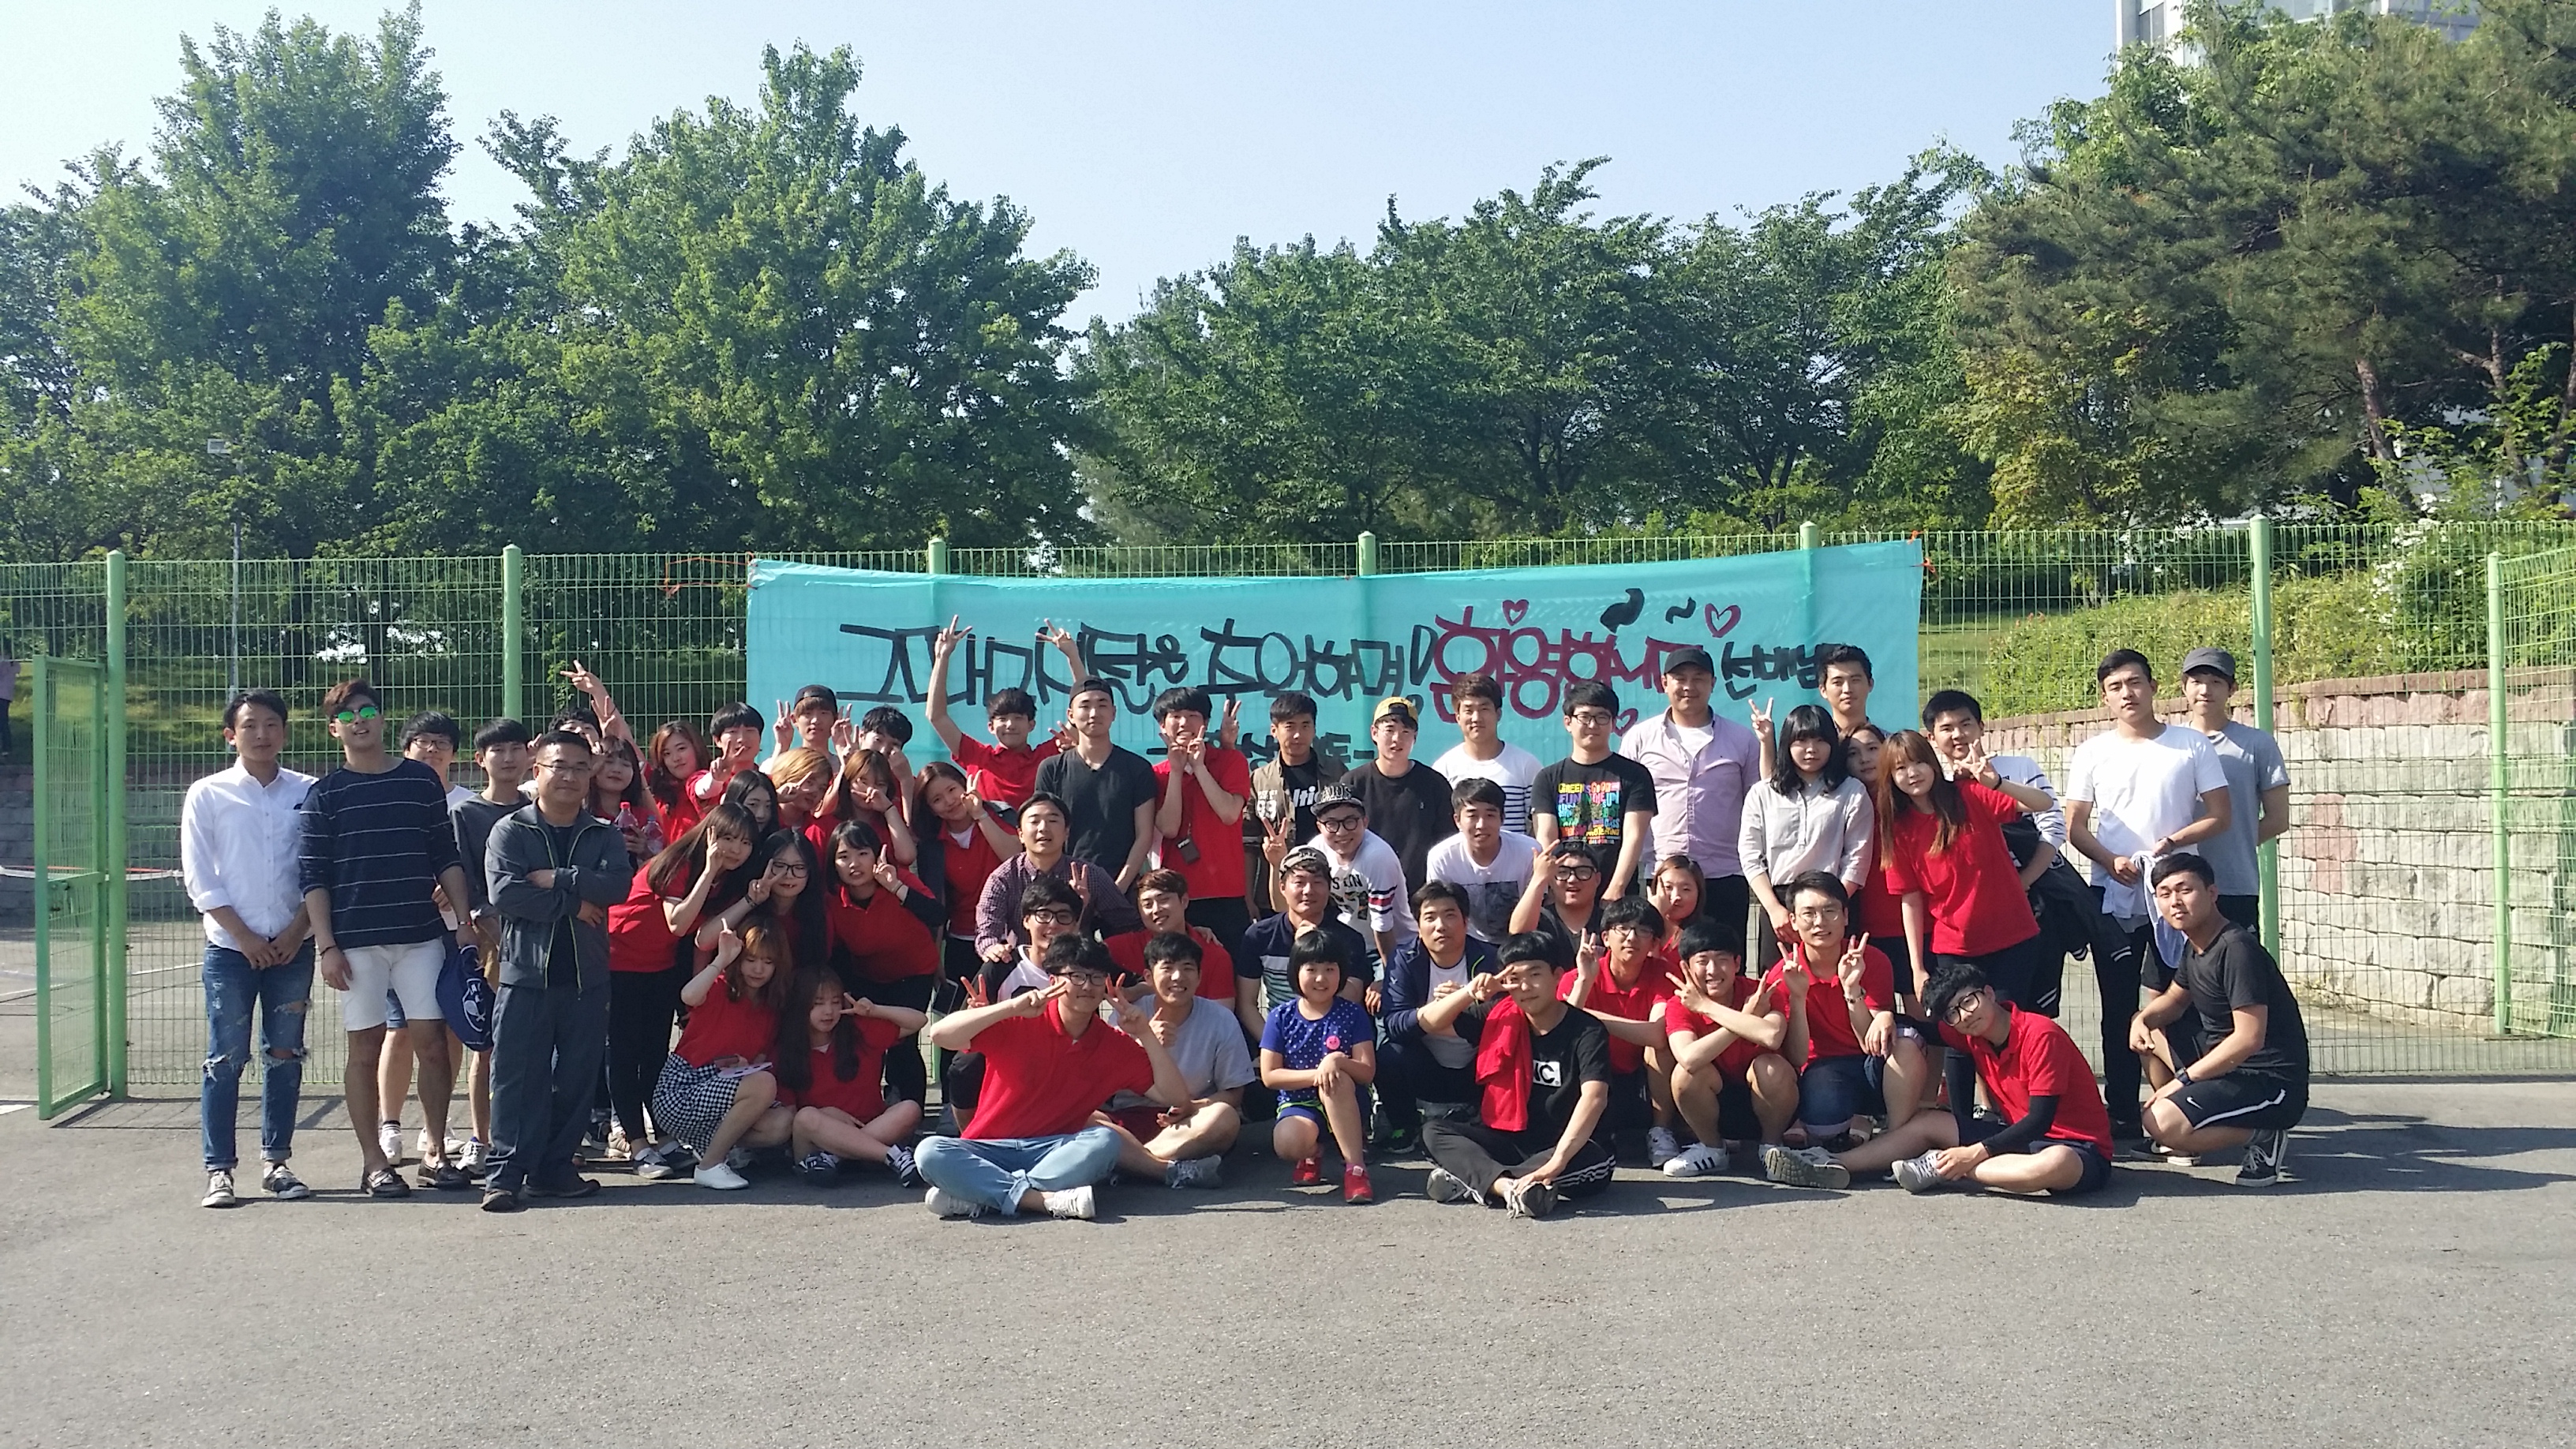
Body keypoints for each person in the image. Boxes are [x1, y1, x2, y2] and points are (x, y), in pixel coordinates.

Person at [298, 678, 478, 1198]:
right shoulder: (324, 795)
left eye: (367, 711)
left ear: (382, 719)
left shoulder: (420, 782)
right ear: (334, 730)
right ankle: (374, 1163)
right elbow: (313, 877)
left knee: (435, 1045)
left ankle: (435, 1152)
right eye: (346, 716)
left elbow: (445, 855)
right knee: (365, 1048)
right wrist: (327, 947)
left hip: (421, 938)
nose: (358, 721)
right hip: (356, 944)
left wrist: (464, 920)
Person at [2064, 648, 2232, 1138]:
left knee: (2185, 1002)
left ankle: (2188, 1106)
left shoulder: (2190, 744)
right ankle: (2121, 1112)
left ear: (2154, 687)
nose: (2127, 694)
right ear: (2104, 698)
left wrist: (2174, 844)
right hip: (2114, 897)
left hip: (2178, 899)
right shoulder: (2092, 752)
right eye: (2115, 687)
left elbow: (2220, 815)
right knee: (2118, 1007)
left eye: (2135, 683)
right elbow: (2075, 827)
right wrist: (2108, 860)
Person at [1778, 961, 2117, 1196]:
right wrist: (1883, 1014)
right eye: (1952, 1013)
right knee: (1929, 1122)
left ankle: (1941, 1166)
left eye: (1969, 1001)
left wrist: (1972, 1155)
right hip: (2016, 1139)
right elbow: (1917, 1027)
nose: (1965, 1016)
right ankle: (1830, 1164)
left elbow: (2039, 1120)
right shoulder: (1970, 1034)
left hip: (2078, 1149)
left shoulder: (2041, 1034)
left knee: (2056, 1163)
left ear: (1989, 993)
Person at [915, 936, 1193, 1220]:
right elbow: (940, 1035)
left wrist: (1145, 1033)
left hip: (1052, 1152)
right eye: (1077, 976)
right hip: (988, 1148)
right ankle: (1039, 1200)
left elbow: (1174, 1096)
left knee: (1105, 1141)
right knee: (929, 1151)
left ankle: (986, 1196)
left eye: (1097, 977)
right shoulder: (1018, 1020)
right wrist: (1009, 1007)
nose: (1087, 986)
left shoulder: (1114, 1044)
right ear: (1053, 980)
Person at [478, 729, 635, 1211]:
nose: (568, 776)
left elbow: (617, 886)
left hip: (588, 977)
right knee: (515, 1079)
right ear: (537, 771)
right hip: (526, 977)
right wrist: (574, 903)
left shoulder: (604, 833)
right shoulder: (510, 831)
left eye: (579, 767)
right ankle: (504, 1175)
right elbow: (508, 895)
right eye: (558, 766)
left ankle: (555, 1170)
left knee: (577, 1079)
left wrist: (560, 879)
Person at [182, 689, 316, 1208]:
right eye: (250, 725)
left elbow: (320, 870)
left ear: (285, 732)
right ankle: (219, 1170)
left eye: (271, 725)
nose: (262, 734)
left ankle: (276, 1163)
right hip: (230, 950)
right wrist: (243, 937)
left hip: (293, 947)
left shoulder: (308, 792)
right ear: (230, 735)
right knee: (225, 1057)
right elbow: (200, 876)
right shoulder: (208, 793)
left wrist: (296, 932)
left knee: (284, 1055)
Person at [2135, 853, 2308, 1186]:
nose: (2175, 902)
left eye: (2185, 890)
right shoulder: (2196, 944)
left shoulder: (2237, 949)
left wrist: (2182, 1081)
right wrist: (2142, 1021)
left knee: (2160, 1122)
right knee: (2148, 1029)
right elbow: (2174, 1000)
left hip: (2269, 1082)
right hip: (2228, 1068)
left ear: (2212, 893)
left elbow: (2249, 1038)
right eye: (2165, 894)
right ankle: (2187, 1136)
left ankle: (2264, 1135)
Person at [605, 803, 759, 1178]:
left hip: (660, 966)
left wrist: (749, 897)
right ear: (709, 834)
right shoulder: (680, 863)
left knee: (655, 1053)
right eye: (728, 838)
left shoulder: (729, 878)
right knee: (624, 1053)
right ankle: (637, 1144)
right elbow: (678, 923)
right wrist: (708, 870)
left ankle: (665, 1139)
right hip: (618, 960)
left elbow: (703, 935)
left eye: (745, 842)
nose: (736, 849)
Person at [1415, 933, 1616, 1218]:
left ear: (1557, 975)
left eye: (1535, 974)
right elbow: (1429, 1022)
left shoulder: (1587, 1030)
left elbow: (1594, 1098)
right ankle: (1508, 1188)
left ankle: (1476, 1179)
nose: (1525, 987)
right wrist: (1472, 991)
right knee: (1433, 1132)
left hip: (1571, 1146)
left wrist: (1556, 1163)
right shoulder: (1500, 1016)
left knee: (1589, 1158)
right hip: (1511, 1142)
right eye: (1514, 978)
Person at [1754, 872, 1929, 1185]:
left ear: (1846, 916)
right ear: (1793, 921)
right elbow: (1797, 1057)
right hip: (1824, 1068)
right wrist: (1797, 997)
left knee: (1906, 1047)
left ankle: (1896, 1141)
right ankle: (1851, 1132)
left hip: (1873, 1061)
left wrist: (1852, 990)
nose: (1820, 922)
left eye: (1830, 911)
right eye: (1809, 914)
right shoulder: (1784, 972)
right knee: (1824, 1125)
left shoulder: (1870, 959)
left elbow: (1869, 1042)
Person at [373, 710, 474, 1170]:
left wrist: (456, 888)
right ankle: (389, 1124)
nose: (432, 749)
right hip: (406, 932)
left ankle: (440, 1126)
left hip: (456, 932)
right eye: (422, 741)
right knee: (399, 1030)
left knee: (449, 1030)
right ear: (406, 748)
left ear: (455, 753)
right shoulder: (392, 795)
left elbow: (477, 862)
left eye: (441, 743)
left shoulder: (468, 804)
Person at [444, 717, 536, 1178]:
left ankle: (533, 1138)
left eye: (517, 748)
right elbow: (463, 879)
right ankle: (482, 1140)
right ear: (480, 760)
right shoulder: (466, 814)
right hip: (489, 939)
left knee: (536, 1045)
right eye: (498, 750)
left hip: (539, 937)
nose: (509, 758)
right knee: (487, 1046)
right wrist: (483, 926)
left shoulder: (539, 809)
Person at [1621, 645, 1760, 945]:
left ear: (1712, 684)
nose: (1689, 686)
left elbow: (1757, 804)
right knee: (1660, 958)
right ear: (1664, 683)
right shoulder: (1639, 739)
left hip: (1724, 874)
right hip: (1663, 876)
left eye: (1698, 678)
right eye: (1680, 678)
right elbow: (1628, 809)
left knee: (1723, 961)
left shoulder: (1742, 740)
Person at [1096, 932, 1256, 1188]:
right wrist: (1144, 1041)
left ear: (1200, 977)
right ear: (1148, 977)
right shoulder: (1126, 1015)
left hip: (1186, 1121)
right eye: (1168, 968)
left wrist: (1194, 1107)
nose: (1178, 977)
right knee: (1088, 1119)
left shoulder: (1221, 1019)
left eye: (1188, 968)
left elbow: (1234, 1093)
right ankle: (1161, 1168)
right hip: (1131, 1117)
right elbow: (1104, 1086)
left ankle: (1128, 1165)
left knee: (1225, 1118)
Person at [653, 922, 796, 1189]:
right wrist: (721, 959)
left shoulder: (769, 1009)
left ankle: (714, 1148)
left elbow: (759, 1058)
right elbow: (688, 996)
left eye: (767, 962)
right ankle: (711, 1164)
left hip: (723, 1090)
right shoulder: (721, 986)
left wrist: (746, 1067)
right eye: (751, 960)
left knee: (782, 1123)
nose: (758, 969)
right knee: (764, 1084)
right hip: (682, 1089)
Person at [1739, 703, 1874, 972]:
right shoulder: (1763, 793)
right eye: (1801, 741)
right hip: (1780, 905)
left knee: (1839, 981)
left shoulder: (1851, 791)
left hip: (1834, 900)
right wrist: (1775, 909)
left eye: (1820, 741)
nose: (1811, 749)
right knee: (1779, 983)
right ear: (1787, 744)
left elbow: (1857, 858)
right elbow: (1750, 855)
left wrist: (1832, 908)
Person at [821, 818, 942, 1106]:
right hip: (868, 976)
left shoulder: (899, 878)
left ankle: (911, 1111)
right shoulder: (832, 900)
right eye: (843, 856)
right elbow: (834, 951)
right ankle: (869, 1107)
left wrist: (895, 887)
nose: (854, 864)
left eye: (862, 853)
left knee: (902, 1042)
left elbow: (937, 915)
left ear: (877, 854)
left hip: (914, 973)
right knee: (865, 1040)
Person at [1659, 919, 1794, 1178]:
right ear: (1686, 967)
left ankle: (1772, 1150)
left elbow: (1772, 1036)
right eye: (1702, 961)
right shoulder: (1679, 1003)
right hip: (1713, 1104)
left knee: (1771, 1067)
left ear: (1737, 964)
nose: (1712, 970)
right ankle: (1712, 1149)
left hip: (1768, 1101)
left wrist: (1707, 1007)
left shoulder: (1760, 992)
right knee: (1685, 1075)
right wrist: (1744, 1019)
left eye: (1722, 960)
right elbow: (1688, 1058)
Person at [1373, 882, 1501, 1155]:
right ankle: (1404, 1126)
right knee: (1389, 1054)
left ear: (1466, 921)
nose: (1440, 926)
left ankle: (1495, 1123)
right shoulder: (1405, 959)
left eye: (1450, 915)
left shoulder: (1490, 958)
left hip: (1478, 1068)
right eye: (1430, 917)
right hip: (1427, 1067)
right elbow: (1395, 1024)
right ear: (1418, 926)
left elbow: (1501, 1024)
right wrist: (1456, 1004)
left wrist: (1458, 1005)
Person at [1259, 928, 1380, 1204]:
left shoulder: (1352, 1013)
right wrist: (1319, 1074)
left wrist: (1338, 1061)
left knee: (1336, 1077)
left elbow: (1367, 1071)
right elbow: (1270, 1075)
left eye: (1330, 969)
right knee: (1287, 1143)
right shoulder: (1280, 1017)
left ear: (1342, 973)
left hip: (1347, 1101)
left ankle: (1356, 1168)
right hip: (1299, 1104)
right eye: (1311, 969)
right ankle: (1312, 1152)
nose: (1321, 978)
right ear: (1296, 972)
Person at [777, 967, 927, 1185]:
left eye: (836, 1002)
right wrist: (828, 1114)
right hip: (817, 1142)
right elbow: (790, 1116)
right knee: (805, 1117)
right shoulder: (786, 1050)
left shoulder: (859, 1031)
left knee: (910, 1108)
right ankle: (891, 1155)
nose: (829, 1011)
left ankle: (836, 1157)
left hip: (870, 1128)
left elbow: (918, 1021)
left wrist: (875, 1010)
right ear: (800, 1005)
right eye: (818, 1003)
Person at [1562, 894, 1680, 1164]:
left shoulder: (1664, 973)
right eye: (1623, 928)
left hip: (1642, 1077)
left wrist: (1587, 1016)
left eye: (1643, 930)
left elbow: (1657, 1034)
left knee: (1661, 1048)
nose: (1632, 937)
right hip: (1593, 1074)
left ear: (1654, 943)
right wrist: (1584, 981)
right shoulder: (1578, 976)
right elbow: (1563, 1032)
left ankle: (1661, 1131)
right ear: (1605, 938)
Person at [923, 616, 1088, 811]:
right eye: (1002, 719)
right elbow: (937, 716)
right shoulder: (977, 756)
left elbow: (1085, 711)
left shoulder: (1048, 756)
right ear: (991, 726)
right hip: (986, 831)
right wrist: (942, 657)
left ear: (1031, 725)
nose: (1010, 725)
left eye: (1018, 718)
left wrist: (1072, 656)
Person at [2178, 647, 2292, 929]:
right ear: (2184, 687)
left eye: (2216, 682)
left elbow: (2279, 819)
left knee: (2236, 956)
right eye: (2197, 681)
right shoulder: (2169, 743)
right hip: (2176, 884)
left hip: (2234, 883)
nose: (2205, 690)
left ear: (2233, 689)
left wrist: (2236, 841)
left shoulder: (2258, 744)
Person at [973, 792, 1140, 965]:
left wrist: (1102, 952)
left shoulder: (1088, 875)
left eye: (1052, 820)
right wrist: (993, 949)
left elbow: (1128, 924)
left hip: (1076, 967)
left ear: (1067, 832)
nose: (1043, 828)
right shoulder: (1004, 878)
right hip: (1024, 967)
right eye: (1034, 821)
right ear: (1020, 834)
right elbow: (986, 932)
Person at [1530, 680, 1659, 899]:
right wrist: (1555, 889)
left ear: (1613, 723)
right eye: (1584, 717)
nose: (1592, 725)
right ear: (1568, 722)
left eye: (1602, 717)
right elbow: (1546, 839)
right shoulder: (1547, 778)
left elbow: (1634, 836)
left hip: (1616, 895)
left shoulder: (1635, 775)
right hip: (1564, 894)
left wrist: (1616, 890)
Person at [1151, 686, 1253, 961]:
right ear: (1162, 725)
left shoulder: (1231, 760)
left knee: (1230, 971)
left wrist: (1199, 767)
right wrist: (1176, 771)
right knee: (1179, 972)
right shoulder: (1156, 774)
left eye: (1193, 715)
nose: (1184, 723)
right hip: (1177, 896)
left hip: (1226, 894)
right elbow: (1169, 828)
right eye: (1175, 716)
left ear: (1206, 723)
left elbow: (1229, 814)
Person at [1033, 676, 1159, 889]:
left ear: (1114, 713)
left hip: (1124, 888)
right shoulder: (1052, 769)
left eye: (1102, 705)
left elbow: (1144, 835)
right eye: (1085, 706)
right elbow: (1045, 830)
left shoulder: (1137, 768)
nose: (1094, 713)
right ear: (1071, 715)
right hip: (1064, 888)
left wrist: (1118, 888)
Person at [1268, 782, 1410, 969]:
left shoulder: (1378, 857)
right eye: (1331, 824)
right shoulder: (1317, 849)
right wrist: (1276, 864)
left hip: (1396, 947)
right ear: (1319, 826)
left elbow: (1383, 928)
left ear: (1365, 822)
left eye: (1350, 821)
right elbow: (1282, 907)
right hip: (1349, 945)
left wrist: (1391, 977)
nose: (1341, 832)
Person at [1237, 846, 1373, 1037]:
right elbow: (1246, 1005)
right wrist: (1272, 1043)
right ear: (1283, 887)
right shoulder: (1259, 936)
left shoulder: (1349, 939)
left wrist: (1312, 949)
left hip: (1334, 1036)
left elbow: (1353, 995)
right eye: (1299, 882)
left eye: (1317, 882)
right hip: (1280, 1034)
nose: (1308, 891)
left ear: (1329, 887)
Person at [1339, 695, 1456, 894]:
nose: (1397, 739)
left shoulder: (1434, 784)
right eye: (1389, 730)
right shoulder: (1353, 783)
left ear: (1415, 737)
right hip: (1364, 893)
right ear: (1374, 733)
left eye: (1405, 732)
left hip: (1421, 896)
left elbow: (1447, 843)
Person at [1244, 691, 1346, 919]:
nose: (1298, 734)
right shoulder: (1260, 780)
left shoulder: (1336, 772)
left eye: (1305, 726)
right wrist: (1248, 897)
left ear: (1314, 729)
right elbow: (1249, 844)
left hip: (1330, 888)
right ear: (1274, 730)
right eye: (1289, 726)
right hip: (1277, 892)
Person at [1425, 777, 1538, 946]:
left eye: (1490, 815)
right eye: (1472, 816)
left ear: (1502, 818)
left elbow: (1540, 909)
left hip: (1521, 942)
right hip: (1465, 944)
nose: (1481, 825)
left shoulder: (1529, 851)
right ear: (1457, 820)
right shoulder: (1442, 857)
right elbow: (1440, 910)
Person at [1432, 671, 1543, 836]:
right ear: (1458, 717)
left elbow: (1539, 826)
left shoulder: (1526, 765)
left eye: (1484, 709)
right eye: (1469, 710)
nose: (1476, 718)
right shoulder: (1444, 769)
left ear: (1498, 714)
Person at [1107, 869, 1237, 1004]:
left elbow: (1223, 1012)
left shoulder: (1214, 955)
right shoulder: (1128, 945)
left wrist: (1145, 990)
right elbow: (1092, 955)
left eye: (1164, 900)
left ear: (1184, 901)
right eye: (1147, 905)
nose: (1156, 910)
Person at [1507, 837, 1608, 959]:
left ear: (1597, 879)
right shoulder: (1539, 919)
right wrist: (1538, 879)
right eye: (1562, 872)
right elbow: (1517, 936)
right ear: (1550, 879)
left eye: (1583, 872)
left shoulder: (1610, 921)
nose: (1572, 880)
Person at [823, 747, 917, 869]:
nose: (871, 790)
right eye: (863, 782)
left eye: (880, 784)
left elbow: (907, 857)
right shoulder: (827, 822)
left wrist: (889, 809)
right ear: (848, 782)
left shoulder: (890, 821)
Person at [687, 701, 766, 816]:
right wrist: (716, 779)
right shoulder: (703, 778)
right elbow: (704, 790)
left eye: (750, 731)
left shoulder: (768, 780)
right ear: (717, 740)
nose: (742, 739)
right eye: (733, 732)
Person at [642, 721, 707, 837]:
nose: (676, 758)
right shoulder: (658, 790)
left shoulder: (716, 785)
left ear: (697, 747)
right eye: (667, 754)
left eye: (681, 749)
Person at [769, 683, 849, 768]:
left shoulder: (844, 764)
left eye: (823, 713)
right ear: (794, 719)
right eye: (808, 714)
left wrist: (841, 748)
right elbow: (769, 775)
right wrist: (781, 746)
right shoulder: (781, 763)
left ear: (835, 719)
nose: (815, 721)